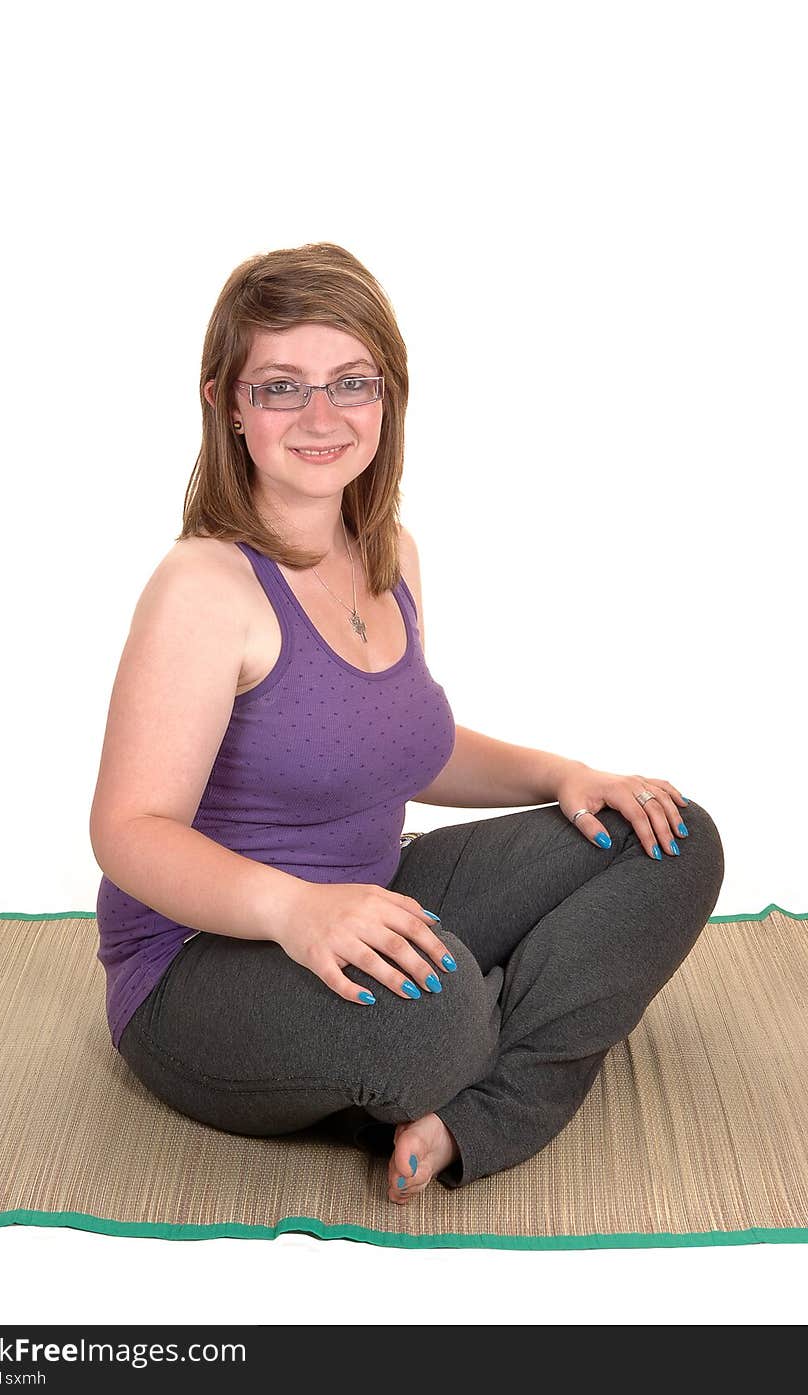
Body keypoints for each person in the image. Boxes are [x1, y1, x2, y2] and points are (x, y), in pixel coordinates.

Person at [90, 241, 725, 1204]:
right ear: (225, 403)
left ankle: (481, 1108)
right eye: (281, 387)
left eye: (352, 381)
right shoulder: (203, 586)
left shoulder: (388, 552)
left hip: (371, 895)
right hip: (199, 965)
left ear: (388, 396)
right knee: (436, 1021)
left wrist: (565, 774)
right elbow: (127, 833)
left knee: (668, 833)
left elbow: (389, 746)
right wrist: (297, 911)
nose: (321, 416)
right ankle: (491, 1025)